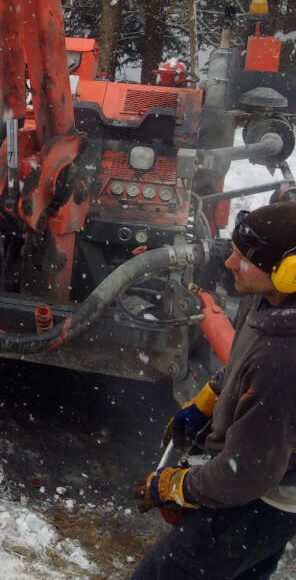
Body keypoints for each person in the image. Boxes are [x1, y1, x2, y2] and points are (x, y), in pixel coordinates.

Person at [131, 200, 296, 579]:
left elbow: (245, 474)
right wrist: (206, 401)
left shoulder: (283, 362)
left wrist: (178, 486)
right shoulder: (268, 298)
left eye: (242, 259)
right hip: (255, 494)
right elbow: (243, 355)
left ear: (289, 272)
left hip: (257, 506)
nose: (228, 264)